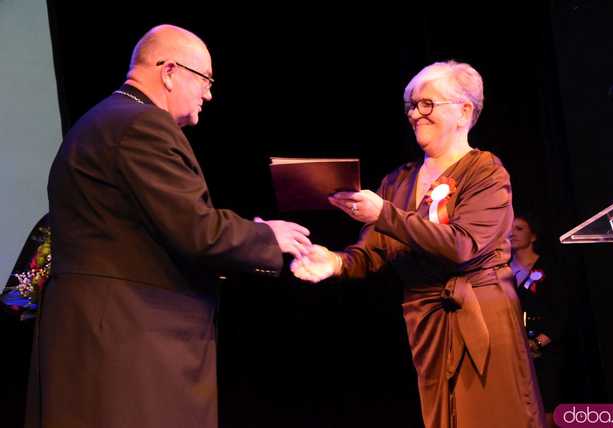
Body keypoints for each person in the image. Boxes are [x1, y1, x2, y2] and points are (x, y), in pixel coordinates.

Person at [26, 24, 312, 428]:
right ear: (169, 72)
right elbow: (196, 231)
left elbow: (154, 229)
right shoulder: (143, 125)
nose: (210, 94)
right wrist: (268, 236)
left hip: (95, 335)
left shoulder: (101, 121)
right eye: (206, 80)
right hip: (130, 342)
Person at [291, 60, 545, 427]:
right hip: (424, 322)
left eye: (427, 104)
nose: (415, 114)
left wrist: (384, 214)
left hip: (481, 318)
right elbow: (373, 251)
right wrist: (333, 261)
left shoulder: (486, 171)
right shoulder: (398, 181)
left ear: (464, 110)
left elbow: (462, 245)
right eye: (411, 105)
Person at [510, 213, 563, 427]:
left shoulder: (548, 267)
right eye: (510, 228)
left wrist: (539, 342)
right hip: (513, 348)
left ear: (533, 236)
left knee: (548, 409)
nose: (512, 232)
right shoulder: (500, 270)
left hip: (545, 350)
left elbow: (561, 310)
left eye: (520, 228)